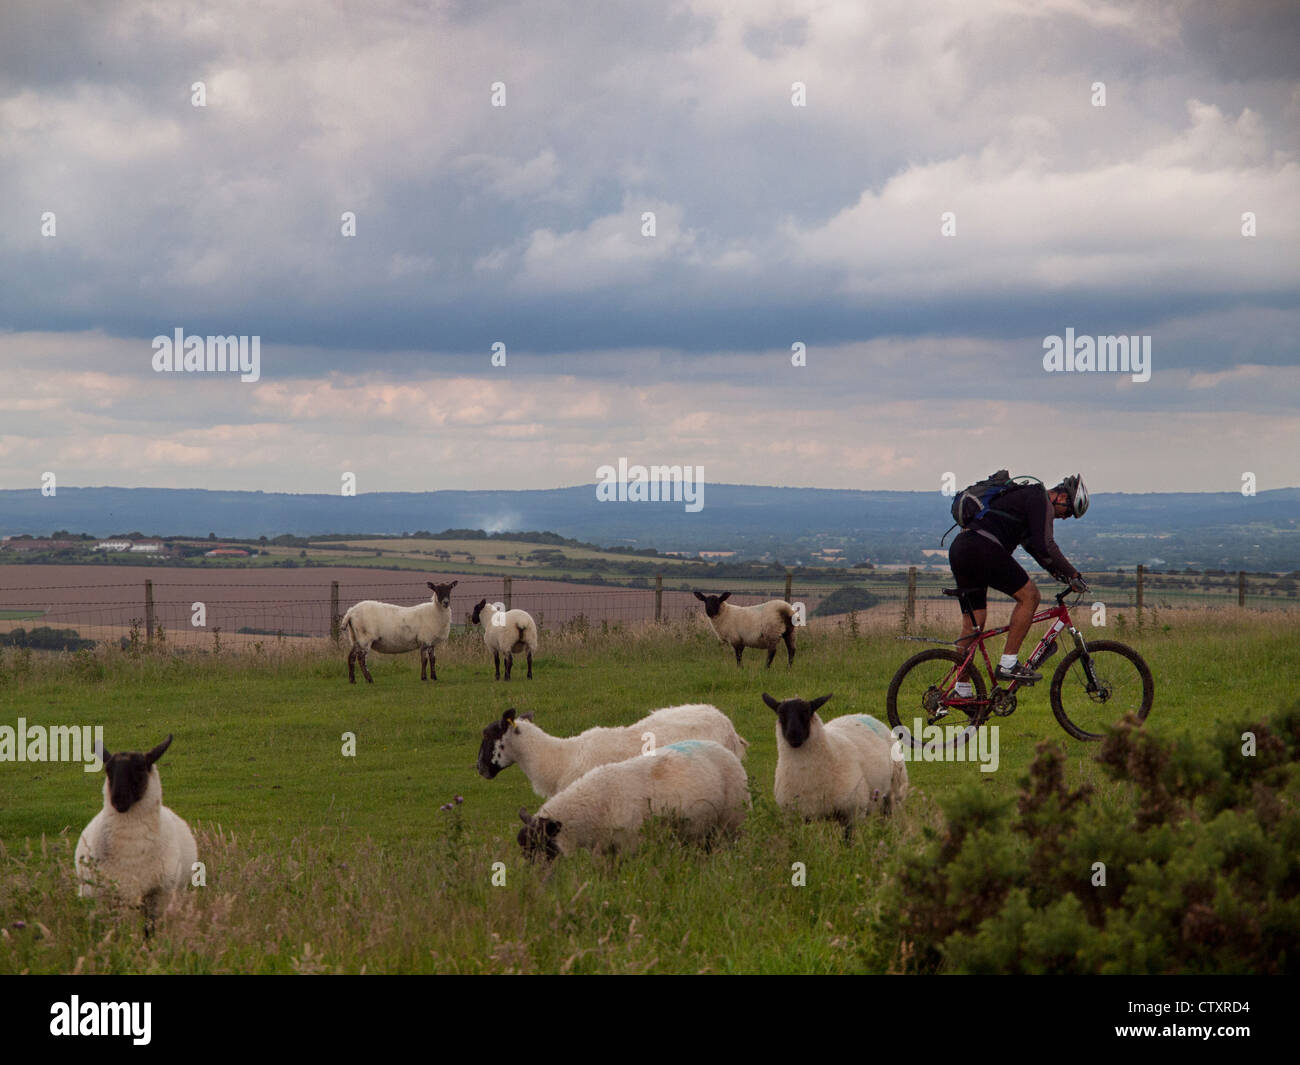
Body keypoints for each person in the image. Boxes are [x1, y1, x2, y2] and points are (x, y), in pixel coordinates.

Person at [948, 474, 1090, 687]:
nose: (1066, 517)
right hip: (983, 548)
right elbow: (1047, 545)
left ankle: (962, 689)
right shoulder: (1039, 499)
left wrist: (1060, 575)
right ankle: (1008, 663)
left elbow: (1036, 549)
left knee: (973, 624)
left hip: (962, 548)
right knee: (1030, 597)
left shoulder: (1026, 501)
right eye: (1069, 511)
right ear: (1061, 496)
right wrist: (1073, 575)